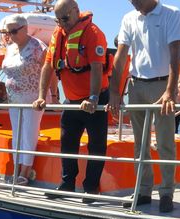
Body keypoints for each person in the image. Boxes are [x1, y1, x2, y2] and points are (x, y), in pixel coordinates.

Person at [108, 0, 180, 213]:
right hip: (136, 85)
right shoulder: (129, 18)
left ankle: (167, 191)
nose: (133, 3)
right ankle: (143, 190)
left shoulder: (171, 14)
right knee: (139, 143)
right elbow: (121, 55)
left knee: (165, 141)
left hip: (162, 84)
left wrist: (170, 90)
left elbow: (175, 53)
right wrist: (114, 92)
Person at [33, 0, 110, 203]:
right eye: (58, 20)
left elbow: (96, 67)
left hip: (96, 99)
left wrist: (93, 98)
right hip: (72, 100)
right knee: (67, 142)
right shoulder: (58, 35)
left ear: (76, 11)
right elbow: (48, 66)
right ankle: (67, 183)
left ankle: (91, 188)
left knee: (97, 145)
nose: (62, 24)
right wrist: (42, 96)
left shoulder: (93, 32)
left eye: (65, 19)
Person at [1, 14, 49, 185]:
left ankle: (24, 173)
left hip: (32, 99)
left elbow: (48, 70)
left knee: (29, 133)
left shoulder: (38, 47)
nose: (11, 35)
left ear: (25, 28)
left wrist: (51, 95)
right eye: (8, 32)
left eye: (14, 31)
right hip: (14, 100)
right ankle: (16, 169)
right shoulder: (10, 47)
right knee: (17, 134)